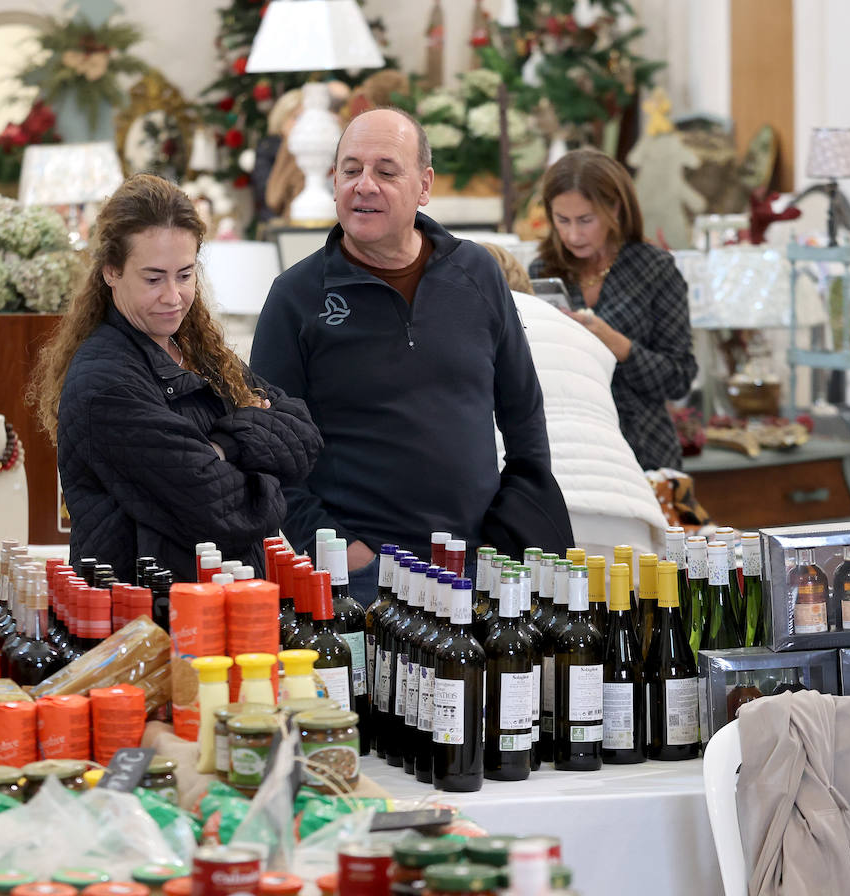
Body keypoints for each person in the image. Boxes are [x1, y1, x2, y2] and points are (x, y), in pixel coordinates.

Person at [250, 107, 572, 607]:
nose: (365, 185)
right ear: (334, 181)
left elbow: (523, 414)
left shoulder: (477, 273)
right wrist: (343, 553)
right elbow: (267, 455)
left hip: (481, 568)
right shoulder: (295, 297)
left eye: (386, 170)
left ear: (424, 186)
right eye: (351, 169)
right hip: (363, 579)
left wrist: (513, 526)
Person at [31, 173, 322, 581]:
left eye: (185, 275)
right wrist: (260, 463)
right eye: (153, 279)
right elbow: (226, 510)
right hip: (150, 625)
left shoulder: (199, 350)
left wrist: (221, 448)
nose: (173, 296)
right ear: (111, 272)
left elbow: (304, 434)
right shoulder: (105, 383)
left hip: (220, 611)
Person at [480, 242, 669, 558]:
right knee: (623, 606)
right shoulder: (576, 329)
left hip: (528, 515)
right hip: (628, 510)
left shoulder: (474, 322)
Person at [532, 148, 698, 471]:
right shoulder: (542, 272)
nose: (572, 234)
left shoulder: (654, 269)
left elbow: (679, 378)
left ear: (616, 209)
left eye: (585, 220)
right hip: (567, 449)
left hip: (644, 450)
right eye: (561, 220)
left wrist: (617, 344)